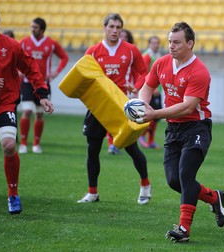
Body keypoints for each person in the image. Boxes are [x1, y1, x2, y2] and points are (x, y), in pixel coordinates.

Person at [138, 22, 224, 242]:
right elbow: (147, 87)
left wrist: (154, 114)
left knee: (186, 175)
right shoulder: (160, 64)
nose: (171, 46)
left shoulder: (199, 71)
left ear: (190, 43)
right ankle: (214, 197)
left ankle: (184, 229)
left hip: (197, 127)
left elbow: (188, 107)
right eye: (169, 41)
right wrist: (142, 106)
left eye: (176, 42)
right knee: (173, 181)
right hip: (174, 129)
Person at [0, 5, 54, 214]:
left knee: (9, 145)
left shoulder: (11, 46)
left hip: (4, 104)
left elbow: (31, 67)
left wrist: (42, 95)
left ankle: (13, 195)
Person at [77, 13, 151, 205]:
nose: (115, 30)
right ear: (104, 28)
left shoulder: (131, 50)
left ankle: (145, 186)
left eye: (118, 27)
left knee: (132, 148)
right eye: (111, 27)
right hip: (98, 106)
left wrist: (138, 85)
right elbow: (82, 76)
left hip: (121, 106)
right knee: (92, 150)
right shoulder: (93, 51)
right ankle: (92, 192)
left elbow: (144, 73)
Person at [18, 17, 69, 154]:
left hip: (43, 85)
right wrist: (18, 70)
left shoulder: (51, 44)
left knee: (39, 114)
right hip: (28, 83)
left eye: (34, 27)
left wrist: (55, 73)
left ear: (41, 29)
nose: (32, 29)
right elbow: (14, 57)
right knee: (27, 111)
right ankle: (23, 143)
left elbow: (64, 57)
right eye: (31, 26)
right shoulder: (23, 42)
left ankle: (36, 144)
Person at [105, 28, 135, 155]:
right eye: (120, 36)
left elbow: (138, 72)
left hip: (126, 92)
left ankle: (118, 142)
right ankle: (112, 144)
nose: (121, 38)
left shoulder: (131, 52)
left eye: (125, 37)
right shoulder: (105, 51)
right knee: (110, 119)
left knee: (123, 120)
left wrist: (136, 87)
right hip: (108, 92)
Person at [138, 36, 163, 149]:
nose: (156, 45)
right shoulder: (147, 56)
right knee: (150, 115)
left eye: (157, 43)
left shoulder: (158, 56)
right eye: (153, 43)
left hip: (158, 91)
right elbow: (143, 74)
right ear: (149, 44)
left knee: (156, 117)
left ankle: (151, 140)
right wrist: (152, 88)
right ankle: (142, 135)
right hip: (151, 91)